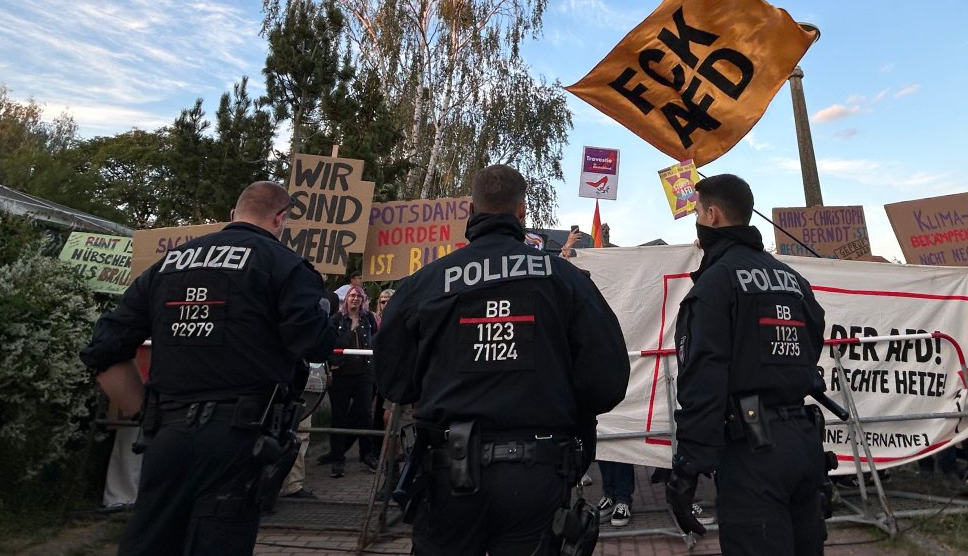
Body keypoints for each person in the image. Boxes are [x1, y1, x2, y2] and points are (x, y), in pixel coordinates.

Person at [375, 164, 630, 556]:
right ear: (522, 211)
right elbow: (608, 378)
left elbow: (393, 379)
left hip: (449, 475)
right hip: (537, 474)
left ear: (471, 212)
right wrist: (562, 401)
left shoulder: (425, 283)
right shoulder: (566, 279)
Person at [80, 181, 334, 556]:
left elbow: (103, 348)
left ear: (233, 215)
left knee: (149, 541)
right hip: (239, 439)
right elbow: (314, 343)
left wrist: (145, 413)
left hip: (167, 435)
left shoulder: (168, 264)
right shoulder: (283, 265)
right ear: (281, 219)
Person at [665, 174, 827, 556]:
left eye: (698, 214)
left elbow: (703, 379)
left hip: (753, 450)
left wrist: (687, 468)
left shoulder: (716, 283)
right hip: (803, 443)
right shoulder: (793, 278)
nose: (698, 223)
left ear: (714, 215)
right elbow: (812, 344)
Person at [325, 284, 379, 477]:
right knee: (338, 417)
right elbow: (328, 343)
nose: (355, 299)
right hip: (341, 374)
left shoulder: (368, 319)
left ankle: (367, 454)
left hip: (364, 374)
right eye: (352, 295)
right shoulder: (337, 320)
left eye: (359, 296)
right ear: (346, 299)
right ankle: (338, 458)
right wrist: (331, 366)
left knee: (365, 415)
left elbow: (375, 339)